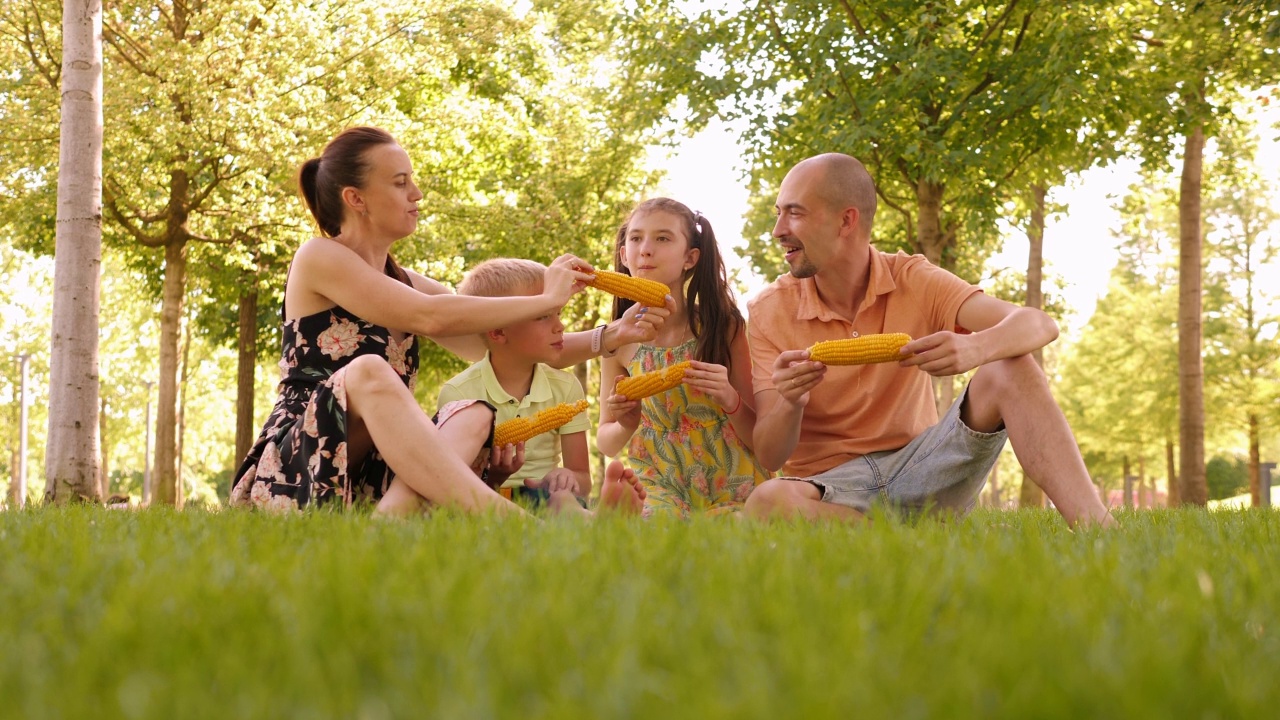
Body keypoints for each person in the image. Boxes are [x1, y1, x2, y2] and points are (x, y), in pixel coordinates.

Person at [229, 126, 654, 515]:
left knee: (473, 412)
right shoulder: (319, 257)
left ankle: (390, 522)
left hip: (374, 472)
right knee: (369, 372)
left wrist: (610, 335)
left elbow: (505, 344)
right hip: (300, 463)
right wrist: (548, 296)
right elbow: (427, 316)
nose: (416, 193)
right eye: (400, 182)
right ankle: (508, 520)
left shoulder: (405, 281)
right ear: (355, 199)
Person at [743, 153, 1113, 527]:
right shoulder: (767, 311)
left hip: (922, 467)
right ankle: (911, 541)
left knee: (1010, 364)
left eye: (795, 213)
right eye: (779, 213)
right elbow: (771, 456)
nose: (777, 229)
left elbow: (1038, 324)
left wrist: (976, 347)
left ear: (846, 220)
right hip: (832, 488)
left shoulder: (912, 279)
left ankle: (1098, 528)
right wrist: (790, 402)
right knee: (768, 501)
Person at [598, 198, 771, 518]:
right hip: (658, 482)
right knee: (657, 531)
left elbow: (760, 438)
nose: (645, 249)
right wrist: (626, 423)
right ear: (624, 254)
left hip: (733, 479)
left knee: (735, 534)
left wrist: (729, 398)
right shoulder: (616, 339)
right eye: (635, 238)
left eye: (662, 238)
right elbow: (606, 443)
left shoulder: (723, 326)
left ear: (690, 258)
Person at [437, 258, 593, 509]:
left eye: (558, 313)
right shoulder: (458, 393)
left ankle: (597, 521)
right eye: (543, 316)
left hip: (547, 495)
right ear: (498, 332)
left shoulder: (565, 387)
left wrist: (567, 478)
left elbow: (583, 479)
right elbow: (451, 487)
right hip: (485, 499)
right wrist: (496, 477)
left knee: (564, 500)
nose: (560, 326)